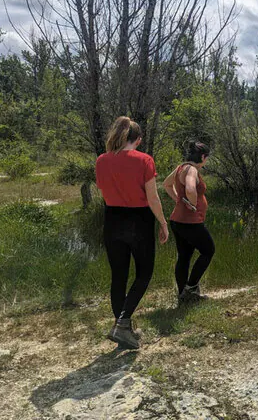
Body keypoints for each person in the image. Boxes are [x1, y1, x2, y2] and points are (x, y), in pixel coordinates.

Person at [95, 117, 168, 350]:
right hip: (139, 220)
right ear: (137, 140)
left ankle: (122, 327)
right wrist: (163, 222)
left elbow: (105, 191)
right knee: (144, 273)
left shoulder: (101, 160)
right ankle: (123, 324)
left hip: (112, 219)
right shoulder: (144, 160)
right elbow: (153, 198)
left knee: (119, 276)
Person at [163, 141, 215, 304]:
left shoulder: (181, 167)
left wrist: (179, 199)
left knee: (184, 256)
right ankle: (191, 288)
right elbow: (191, 189)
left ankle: (182, 295)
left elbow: (166, 184)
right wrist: (191, 204)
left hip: (177, 220)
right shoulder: (191, 170)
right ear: (203, 157)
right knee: (208, 250)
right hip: (190, 221)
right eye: (206, 158)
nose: (206, 161)